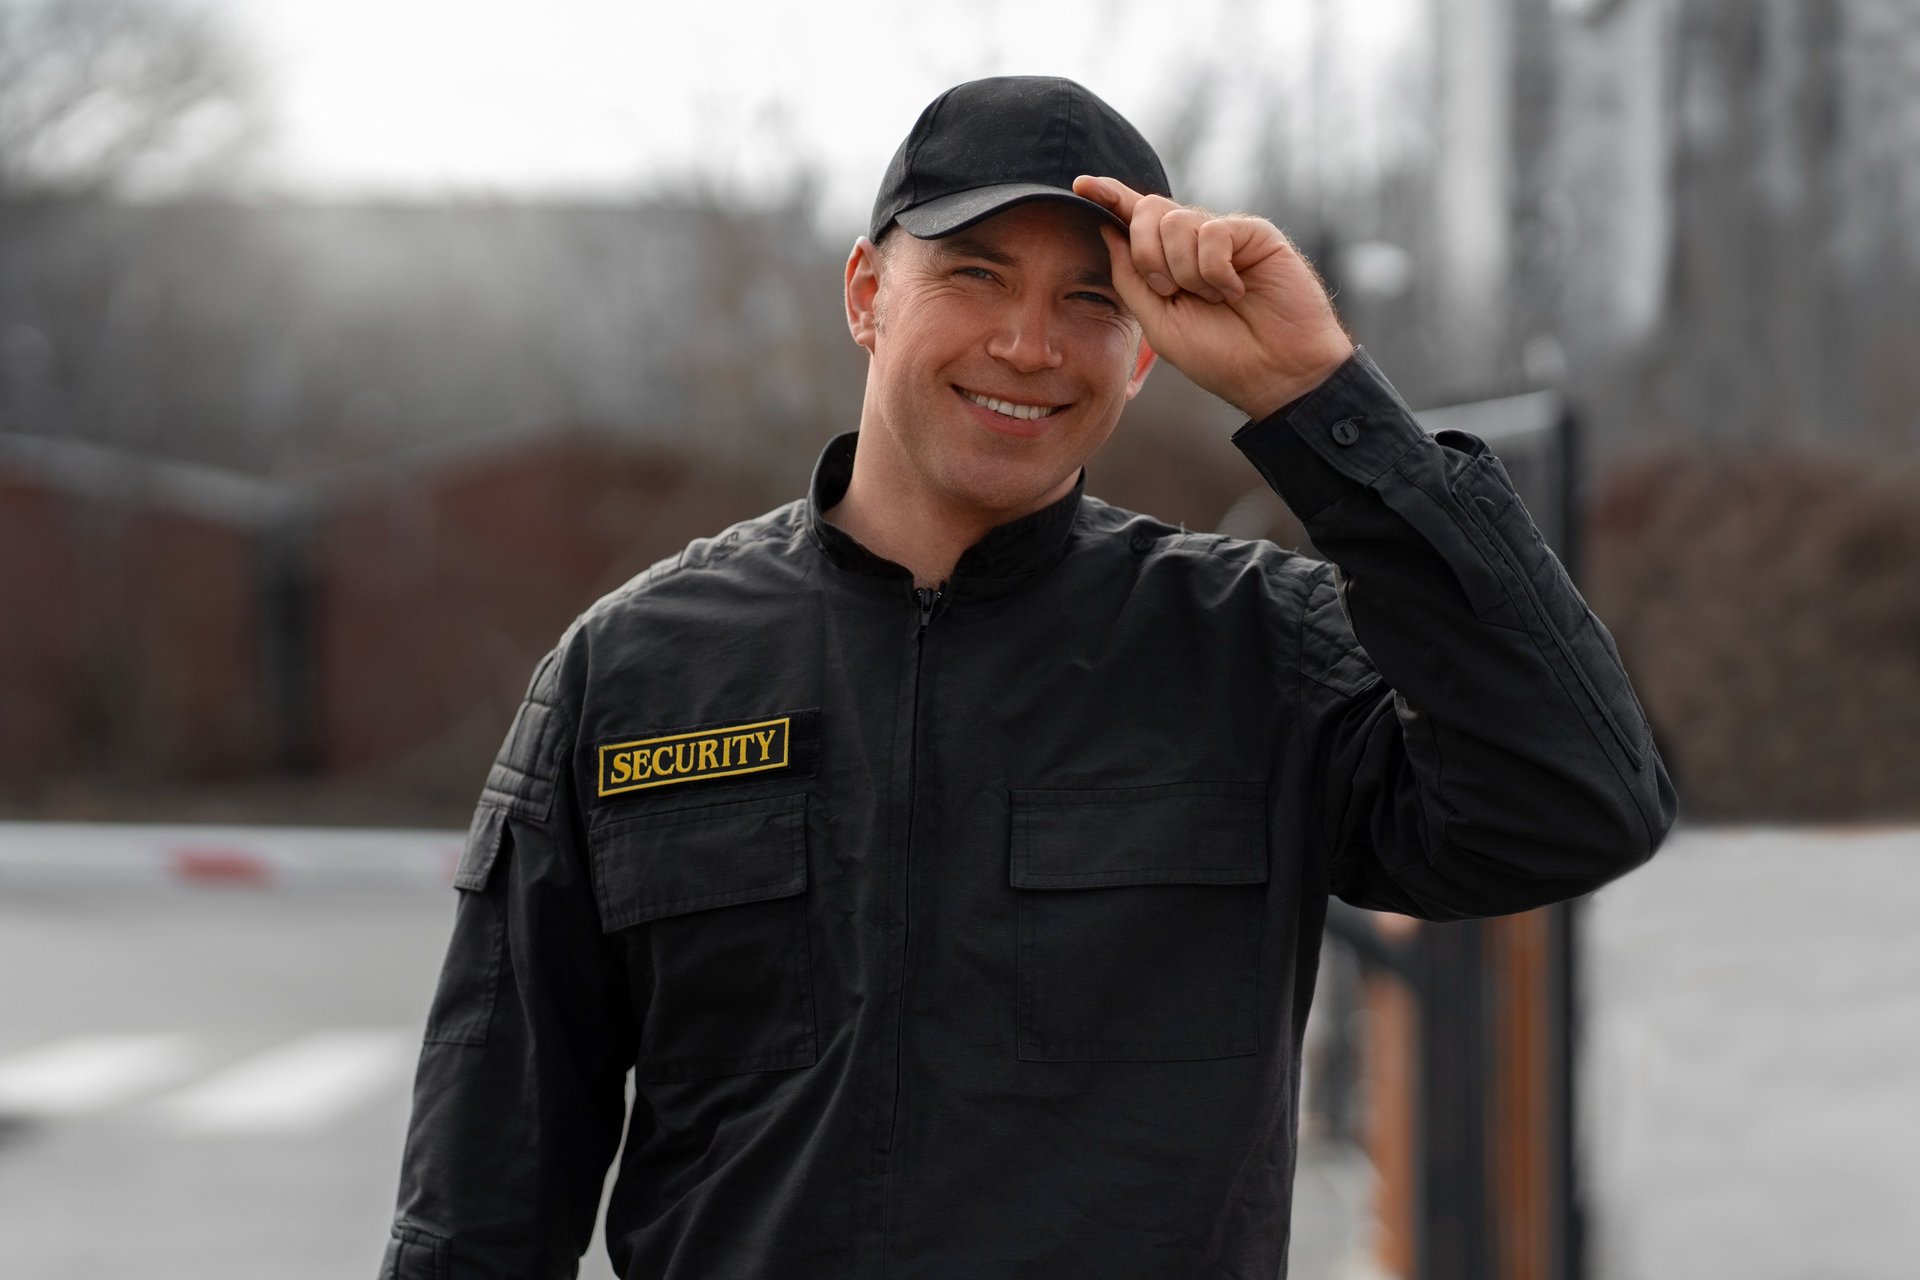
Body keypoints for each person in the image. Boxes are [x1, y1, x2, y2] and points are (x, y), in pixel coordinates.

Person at [379, 75, 1675, 1279]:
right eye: (974, 275)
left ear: (1147, 351)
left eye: (1091, 301)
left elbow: (1577, 800)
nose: (1027, 343)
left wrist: (1322, 399)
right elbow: (483, 1190)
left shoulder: (1255, 645)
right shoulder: (637, 667)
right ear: (866, 291)